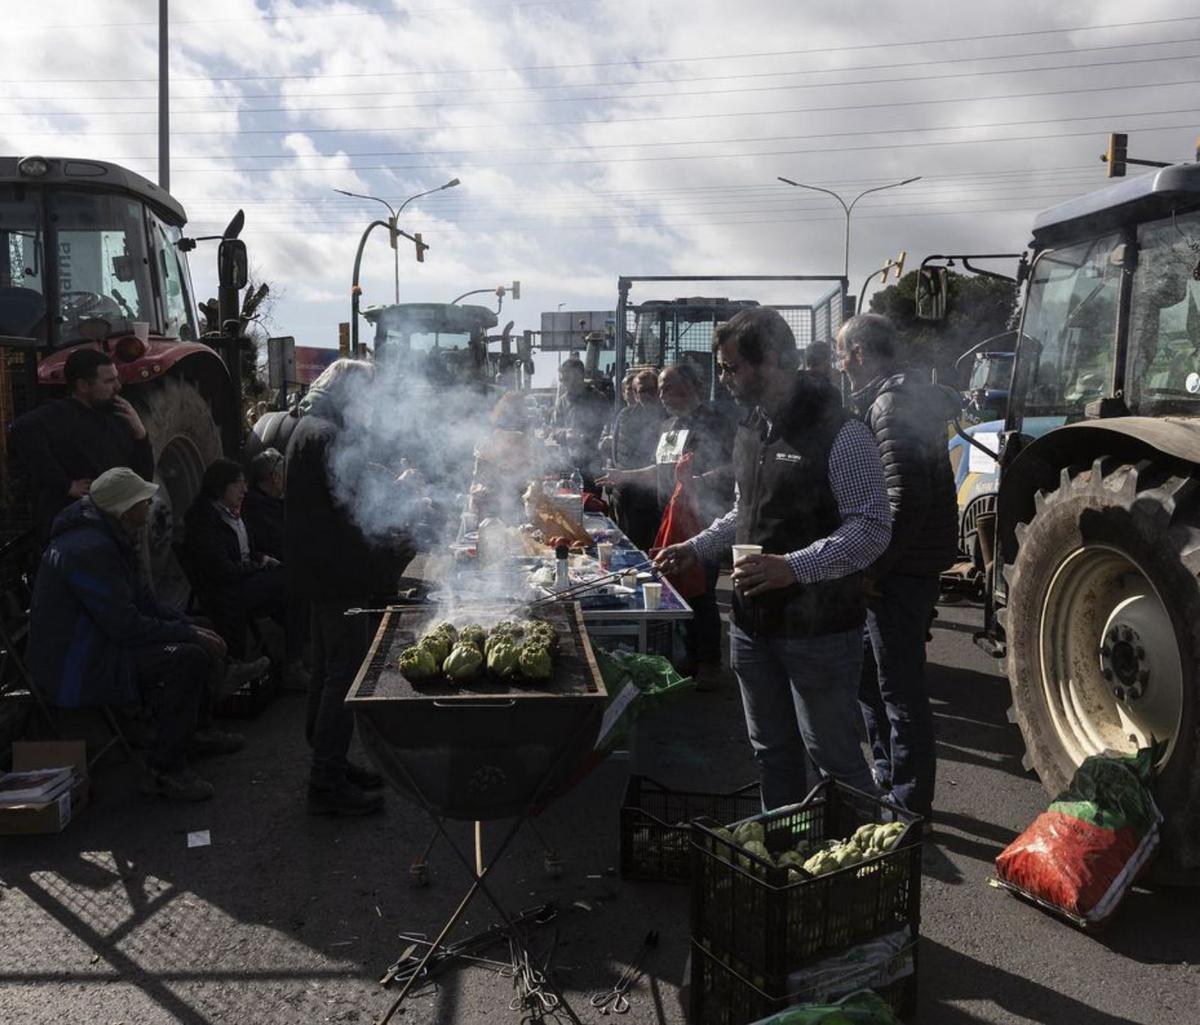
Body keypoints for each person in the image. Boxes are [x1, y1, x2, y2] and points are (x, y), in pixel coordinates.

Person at [654, 308, 891, 810]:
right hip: (751, 626)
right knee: (772, 755)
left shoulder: (841, 432)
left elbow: (872, 527)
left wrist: (793, 566)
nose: (725, 379)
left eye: (733, 368)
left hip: (820, 632)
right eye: (722, 368)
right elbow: (745, 510)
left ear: (775, 362)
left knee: (836, 760)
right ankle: (786, 860)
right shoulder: (751, 428)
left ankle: (861, 876)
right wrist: (694, 548)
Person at [26, 467, 241, 802]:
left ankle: (194, 731)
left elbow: (142, 601)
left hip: (98, 641)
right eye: (143, 501)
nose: (150, 505)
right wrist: (186, 634)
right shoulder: (90, 550)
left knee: (201, 628)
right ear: (126, 510)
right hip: (77, 661)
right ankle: (164, 771)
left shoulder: (108, 534)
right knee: (187, 658)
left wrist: (189, 625)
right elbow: (125, 626)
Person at [839, 314, 959, 820]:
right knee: (871, 678)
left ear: (862, 352)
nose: (841, 367)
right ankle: (887, 778)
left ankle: (909, 803)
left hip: (900, 571)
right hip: (901, 565)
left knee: (899, 688)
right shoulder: (896, 399)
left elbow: (905, 495)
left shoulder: (890, 405)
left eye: (843, 355)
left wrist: (874, 567)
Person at [286, 359, 418, 816]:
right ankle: (325, 782)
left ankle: (331, 764)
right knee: (344, 676)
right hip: (338, 574)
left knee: (326, 671)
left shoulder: (309, 426)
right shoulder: (328, 436)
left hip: (320, 571)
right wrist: (401, 497)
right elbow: (354, 508)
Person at [600, 363, 735, 683]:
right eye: (660, 388)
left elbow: (734, 465)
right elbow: (659, 468)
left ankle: (710, 663)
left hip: (702, 518)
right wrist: (624, 476)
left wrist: (699, 481)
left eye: (669, 386)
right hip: (670, 516)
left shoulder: (713, 421)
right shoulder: (668, 425)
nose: (662, 394)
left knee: (701, 591)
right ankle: (689, 655)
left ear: (692, 386)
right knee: (678, 586)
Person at [10, 349, 154, 544]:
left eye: (116, 379)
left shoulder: (117, 416)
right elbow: (22, 429)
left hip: (115, 529)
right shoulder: (58, 416)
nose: (118, 387)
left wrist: (140, 433)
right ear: (83, 386)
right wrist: (65, 484)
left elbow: (143, 475)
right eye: (109, 381)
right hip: (81, 532)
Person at [182, 458, 282, 680]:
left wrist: (262, 558)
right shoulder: (203, 519)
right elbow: (223, 568)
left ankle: (288, 656)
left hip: (243, 577)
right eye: (239, 483)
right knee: (287, 583)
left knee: (289, 579)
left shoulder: (235, 512)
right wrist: (257, 567)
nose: (245, 489)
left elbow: (244, 550)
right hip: (226, 590)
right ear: (221, 485)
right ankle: (289, 662)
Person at [607, 369, 666, 551]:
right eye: (642, 391)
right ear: (634, 393)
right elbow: (615, 451)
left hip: (658, 497)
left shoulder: (669, 417)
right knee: (629, 547)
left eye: (652, 389)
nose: (647, 395)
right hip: (627, 496)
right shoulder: (624, 416)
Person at [550, 358, 609, 487]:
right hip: (567, 463)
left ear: (579, 376)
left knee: (590, 502)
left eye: (567, 379)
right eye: (562, 379)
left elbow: (606, 429)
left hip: (591, 463)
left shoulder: (598, 398)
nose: (564, 383)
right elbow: (554, 429)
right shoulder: (562, 401)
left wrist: (585, 437)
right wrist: (565, 434)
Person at [242, 448, 286, 563]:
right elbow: (280, 544)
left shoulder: (272, 501)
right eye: (284, 474)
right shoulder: (256, 507)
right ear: (275, 477)